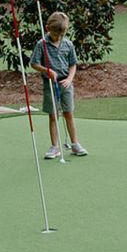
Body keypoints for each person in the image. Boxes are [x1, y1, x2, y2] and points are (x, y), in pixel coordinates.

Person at [33, 11, 87, 158]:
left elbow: (73, 64)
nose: (58, 37)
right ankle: (54, 147)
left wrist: (70, 79)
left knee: (68, 113)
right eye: (55, 34)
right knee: (53, 115)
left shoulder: (68, 44)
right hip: (50, 84)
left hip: (65, 84)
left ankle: (75, 144)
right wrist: (47, 70)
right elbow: (34, 63)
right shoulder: (41, 45)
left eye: (60, 35)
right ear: (47, 28)